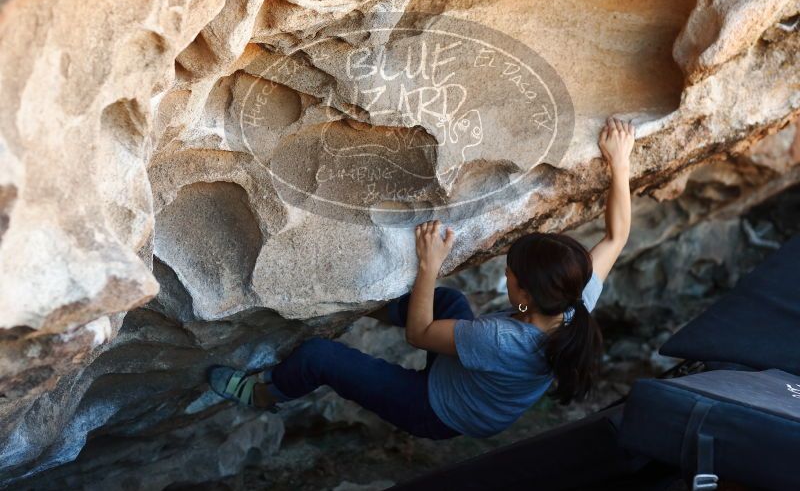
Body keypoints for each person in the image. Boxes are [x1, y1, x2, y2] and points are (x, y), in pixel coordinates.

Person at [207, 117, 635, 439]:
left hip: (437, 409)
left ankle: (267, 395)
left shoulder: (502, 340)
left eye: (510, 274)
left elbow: (419, 334)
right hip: (472, 383)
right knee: (448, 303)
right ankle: (364, 306)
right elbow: (617, 236)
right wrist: (620, 162)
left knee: (320, 357)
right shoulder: (573, 302)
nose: (505, 273)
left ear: (525, 294)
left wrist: (428, 264)